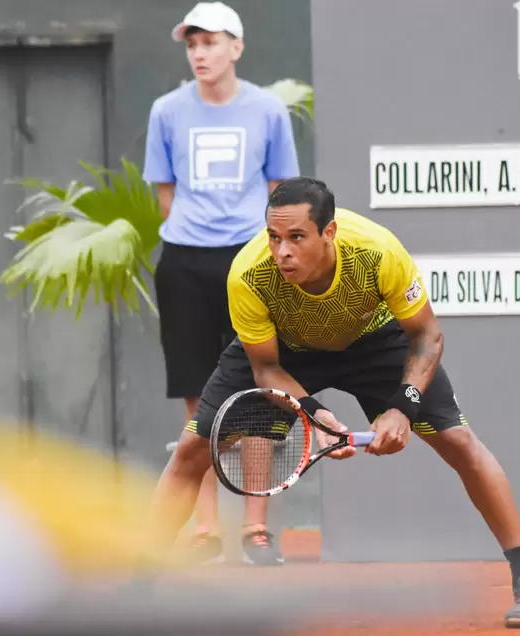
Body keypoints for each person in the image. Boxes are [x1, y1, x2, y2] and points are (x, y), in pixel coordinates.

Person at [148, 177, 520, 628]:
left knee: (459, 441)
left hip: (371, 340)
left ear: (329, 233)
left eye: (296, 238)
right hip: (283, 352)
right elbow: (266, 369)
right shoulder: (249, 274)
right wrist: (317, 415)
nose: (281, 251)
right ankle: (135, 581)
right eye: (274, 237)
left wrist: (403, 405)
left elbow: (426, 335)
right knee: (190, 450)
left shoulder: (376, 251)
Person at [142, 1, 301, 567]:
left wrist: (253, 243)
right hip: (185, 263)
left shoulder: (268, 111)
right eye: (192, 44)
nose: (200, 53)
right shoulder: (166, 111)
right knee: (199, 399)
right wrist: (197, 234)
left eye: (211, 42)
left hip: (253, 262)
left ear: (236, 46)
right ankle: (205, 527)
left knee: (263, 389)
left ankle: (255, 531)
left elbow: (282, 194)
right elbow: (165, 195)